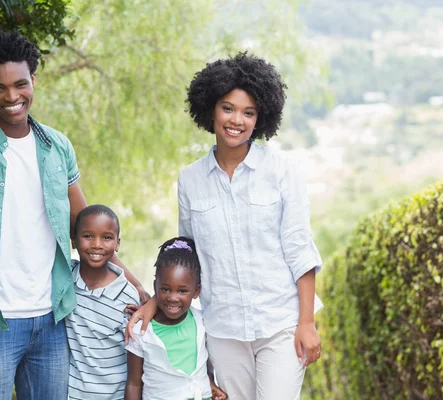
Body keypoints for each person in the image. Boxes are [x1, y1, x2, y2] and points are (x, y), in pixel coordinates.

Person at [0, 30, 147, 399]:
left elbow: (87, 228)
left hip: (54, 323)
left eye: (20, 84)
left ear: (33, 80)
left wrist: (136, 286)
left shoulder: (57, 147)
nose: (12, 97)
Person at [127, 52, 323, 399]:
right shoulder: (190, 179)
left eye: (249, 112)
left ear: (261, 117)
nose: (237, 120)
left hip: (279, 323)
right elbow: (185, 257)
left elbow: (300, 248)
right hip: (222, 329)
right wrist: (155, 301)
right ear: (211, 109)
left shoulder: (281, 171)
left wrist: (306, 322)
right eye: (228, 108)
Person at [125, 237, 228, 400]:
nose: (173, 298)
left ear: (196, 291)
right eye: (165, 289)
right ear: (155, 287)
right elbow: (133, 384)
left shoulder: (202, 322)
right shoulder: (141, 331)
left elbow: (204, 368)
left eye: (182, 291)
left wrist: (211, 386)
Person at [66, 204, 140, 399]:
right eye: (88, 236)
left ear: (117, 244)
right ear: (73, 241)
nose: (97, 244)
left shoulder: (128, 298)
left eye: (106, 237)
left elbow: (137, 355)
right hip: (71, 394)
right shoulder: (65, 278)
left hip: (113, 395)